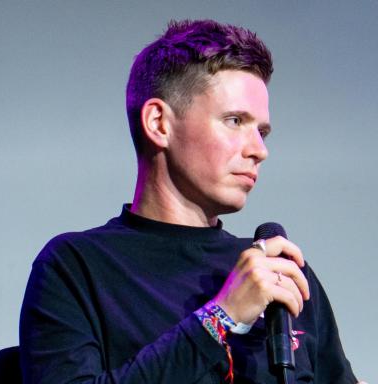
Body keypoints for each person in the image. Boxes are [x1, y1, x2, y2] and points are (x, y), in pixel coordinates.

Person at [20, 19, 361, 383]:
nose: (259, 150)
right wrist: (220, 318)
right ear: (159, 123)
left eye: (261, 132)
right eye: (234, 120)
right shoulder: (76, 267)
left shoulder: (283, 272)